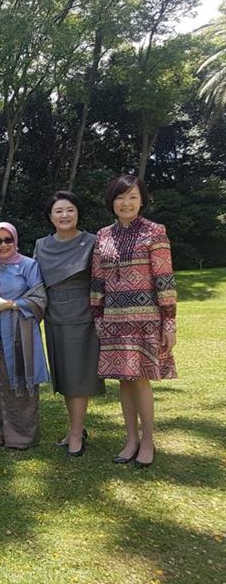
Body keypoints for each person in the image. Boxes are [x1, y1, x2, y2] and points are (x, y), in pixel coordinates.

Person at [91, 175, 177, 468]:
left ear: (142, 200)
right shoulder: (103, 235)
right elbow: (97, 280)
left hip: (145, 319)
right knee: (123, 382)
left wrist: (169, 322)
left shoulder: (155, 232)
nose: (125, 203)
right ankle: (131, 440)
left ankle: (148, 440)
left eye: (132, 197)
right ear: (111, 201)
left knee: (140, 381)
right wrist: (98, 316)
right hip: (114, 320)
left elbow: (165, 279)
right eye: (120, 197)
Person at [34, 192, 105, 457]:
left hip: (82, 316)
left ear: (78, 213)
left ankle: (76, 434)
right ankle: (76, 427)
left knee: (77, 377)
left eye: (70, 210)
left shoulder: (92, 242)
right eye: (59, 211)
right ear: (50, 216)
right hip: (53, 316)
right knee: (64, 375)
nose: (65, 215)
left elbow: (102, 282)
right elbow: (35, 282)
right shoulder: (41, 245)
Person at [0, 222, 49, 450]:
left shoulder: (29, 265)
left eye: (8, 239)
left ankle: (24, 435)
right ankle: (0, 429)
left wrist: (11, 304)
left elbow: (40, 299)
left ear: (15, 241)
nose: (3, 245)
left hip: (21, 334)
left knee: (21, 380)